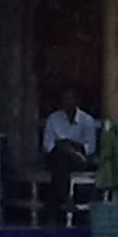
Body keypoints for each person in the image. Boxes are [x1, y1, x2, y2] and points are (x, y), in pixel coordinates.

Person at [43, 87, 98, 222]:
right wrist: (65, 148)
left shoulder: (87, 120)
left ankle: (60, 202)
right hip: (57, 157)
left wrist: (72, 147)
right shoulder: (53, 119)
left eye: (70, 99)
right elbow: (48, 145)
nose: (67, 102)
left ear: (77, 101)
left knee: (63, 159)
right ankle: (65, 199)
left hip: (79, 159)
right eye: (65, 99)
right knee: (61, 157)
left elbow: (90, 148)